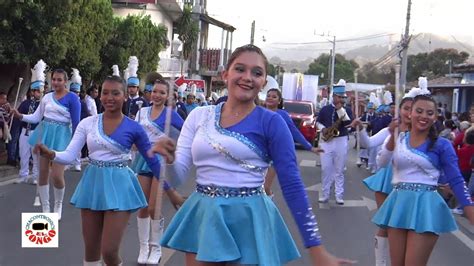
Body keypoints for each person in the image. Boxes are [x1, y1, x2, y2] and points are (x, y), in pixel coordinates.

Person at [151, 44, 354, 266]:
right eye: (240, 69)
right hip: (205, 216)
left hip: (251, 219)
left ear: (263, 83)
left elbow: (292, 185)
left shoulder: (272, 122)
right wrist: (168, 161)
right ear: (225, 75)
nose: (247, 77)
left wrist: (316, 249)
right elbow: (177, 176)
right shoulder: (199, 116)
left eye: (257, 73)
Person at [35, 74, 161, 266]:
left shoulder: (134, 127)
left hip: (119, 185)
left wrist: (170, 188)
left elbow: (152, 160)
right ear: (100, 95)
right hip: (92, 183)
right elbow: (69, 155)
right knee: (91, 252)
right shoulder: (88, 123)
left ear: (125, 96)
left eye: (115, 93)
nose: (109, 97)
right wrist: (51, 153)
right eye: (105, 93)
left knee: (109, 252)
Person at [372, 92, 474, 266]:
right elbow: (381, 163)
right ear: (410, 113)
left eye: (429, 113)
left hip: (426, 205)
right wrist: (391, 137)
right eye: (418, 111)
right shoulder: (399, 138)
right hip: (399, 203)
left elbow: (456, 179)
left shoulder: (442, 145)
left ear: (435, 117)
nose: (423, 116)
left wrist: (470, 210)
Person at [356, 86, 417, 266]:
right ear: (400, 110)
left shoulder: (422, 135)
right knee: (386, 225)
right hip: (386, 181)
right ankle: (381, 263)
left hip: (410, 185)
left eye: (413, 109)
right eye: (406, 108)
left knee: (407, 227)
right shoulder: (390, 130)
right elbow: (368, 144)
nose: (408, 112)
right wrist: (360, 129)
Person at [12, 63, 81, 220]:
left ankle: (58, 204)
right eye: (54, 80)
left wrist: (75, 145)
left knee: (57, 175)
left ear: (65, 82)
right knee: (43, 173)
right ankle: (46, 208)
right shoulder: (47, 97)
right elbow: (37, 117)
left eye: (59, 80)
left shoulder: (73, 99)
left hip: (62, 135)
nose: (56, 83)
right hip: (44, 134)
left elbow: (77, 124)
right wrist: (20, 116)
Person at [131, 76, 185, 265]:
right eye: (155, 91)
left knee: (155, 207)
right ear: (150, 92)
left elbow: (187, 132)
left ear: (168, 95)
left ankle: (156, 247)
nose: (157, 95)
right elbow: (134, 134)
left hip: (160, 162)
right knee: (143, 206)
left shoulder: (171, 115)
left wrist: (173, 149)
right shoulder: (141, 112)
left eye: (162, 92)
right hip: (142, 160)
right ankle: (143, 246)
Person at [262, 87, 322, 197]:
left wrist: (310, 147)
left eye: (274, 97)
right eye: (268, 96)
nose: (270, 98)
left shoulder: (282, 115)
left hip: (273, 156)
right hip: (257, 154)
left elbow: (294, 131)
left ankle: (270, 208)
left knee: (265, 187)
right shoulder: (258, 112)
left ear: (279, 101)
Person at [316, 79, 354, 204]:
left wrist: (340, 109)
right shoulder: (325, 109)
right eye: (339, 96)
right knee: (326, 169)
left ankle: (339, 195)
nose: (341, 99)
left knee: (339, 170)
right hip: (327, 141)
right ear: (333, 96)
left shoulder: (346, 110)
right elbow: (318, 121)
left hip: (341, 140)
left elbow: (348, 123)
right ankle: (325, 194)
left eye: (342, 97)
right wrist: (323, 129)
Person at [15, 84, 43, 184]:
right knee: (23, 154)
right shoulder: (25, 103)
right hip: (24, 131)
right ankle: (23, 175)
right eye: (38, 91)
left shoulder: (43, 105)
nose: (40, 94)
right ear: (32, 92)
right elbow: (18, 114)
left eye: (41, 91)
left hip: (36, 132)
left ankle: (36, 176)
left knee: (36, 155)